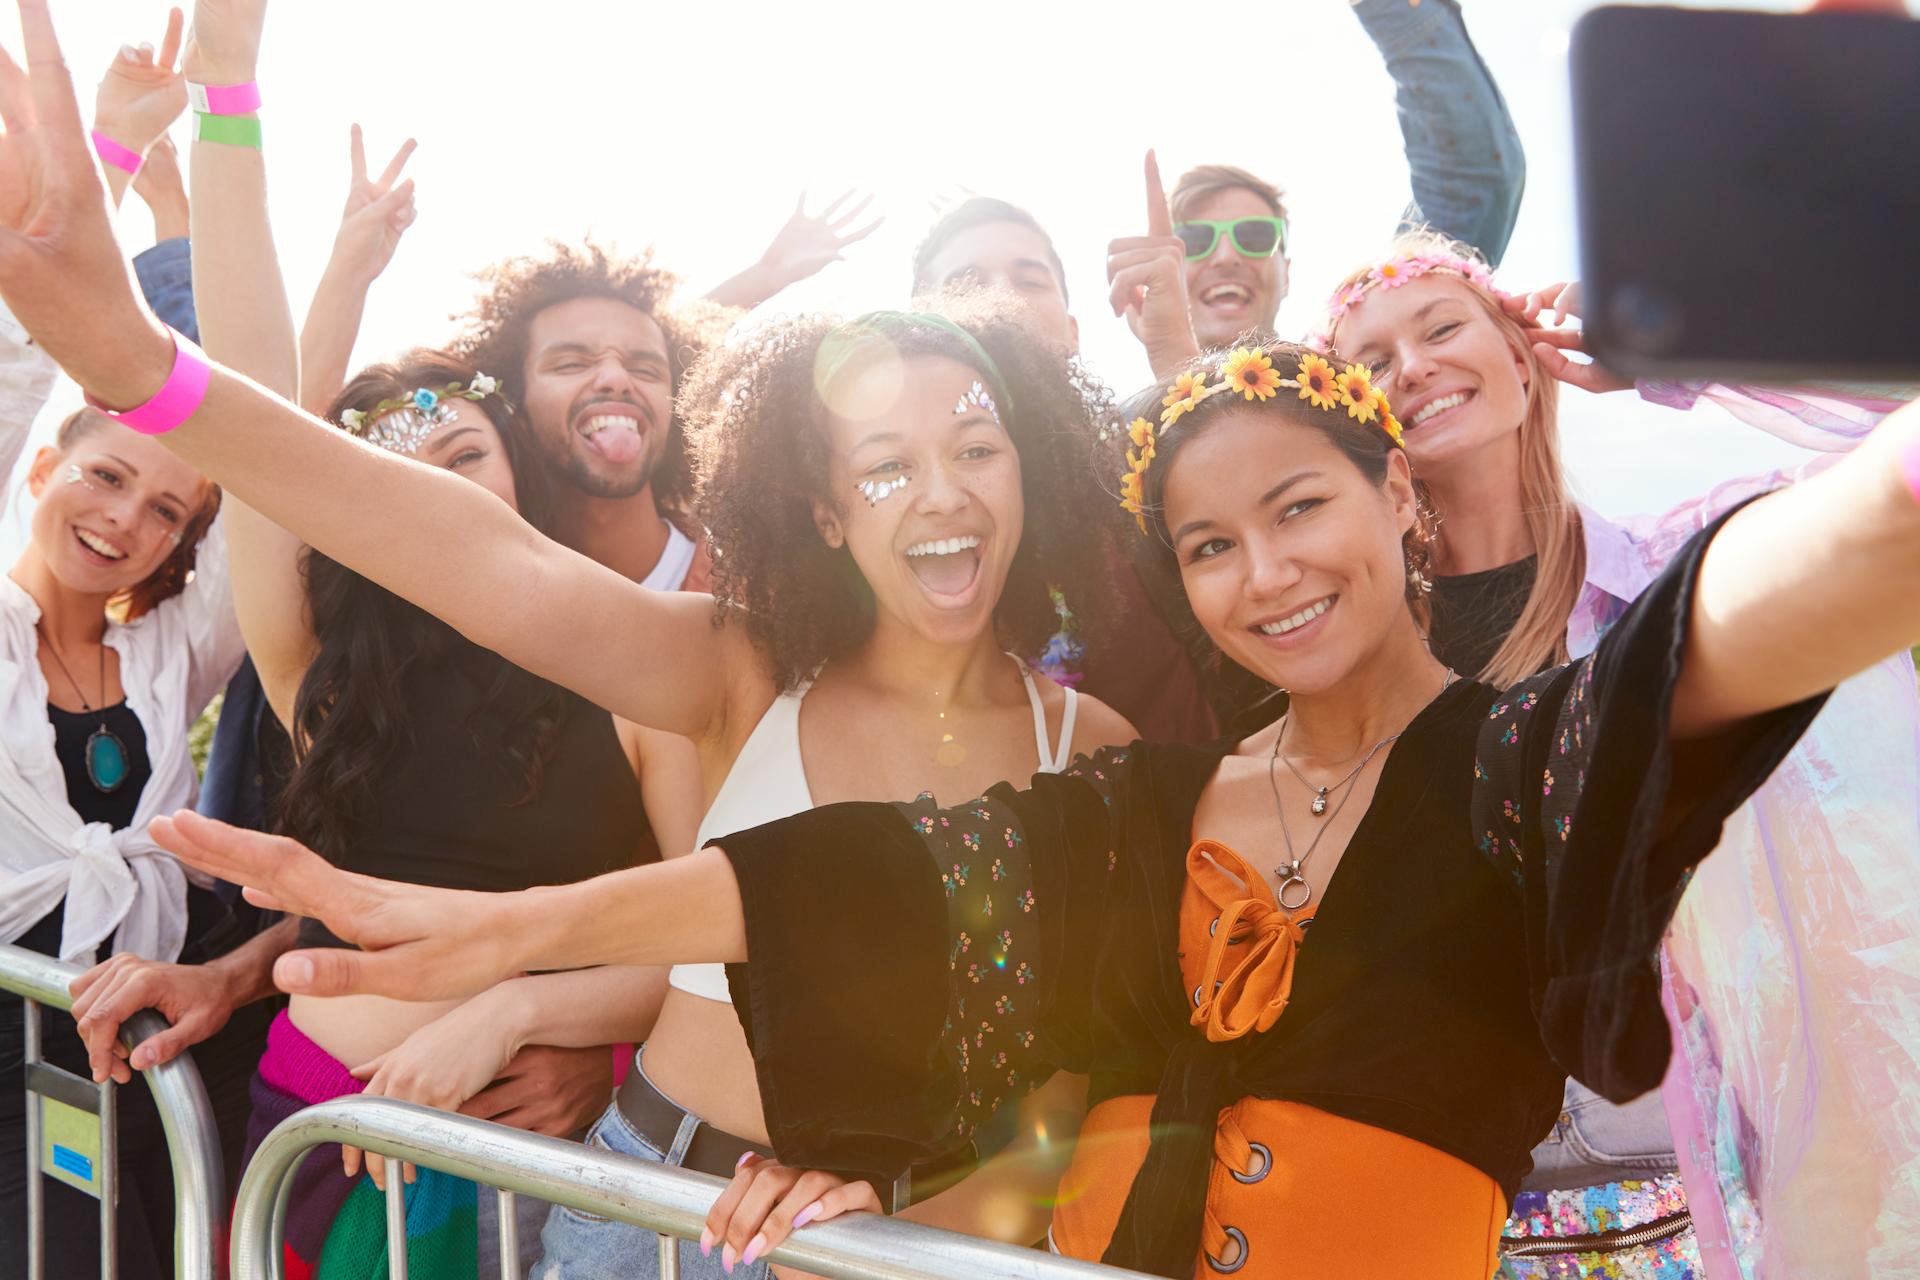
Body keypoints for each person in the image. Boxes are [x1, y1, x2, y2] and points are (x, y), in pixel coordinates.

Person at [144, 327, 1920, 1279]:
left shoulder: (1527, 763)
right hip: (734, 1222)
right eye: (1210, 545)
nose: (1265, 573)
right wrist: (518, 950)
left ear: (1403, 507)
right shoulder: (1151, 808)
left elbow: (1796, 581)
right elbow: (853, 891)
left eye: (1300, 510)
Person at [1322, 234, 1920, 1276]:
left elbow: (1895, 456)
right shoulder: (1344, 663)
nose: (1408, 367)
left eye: (1440, 326)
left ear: (1526, 354)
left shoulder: (1681, 578)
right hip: (1449, 1219)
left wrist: (1683, 346)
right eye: (1368, 361)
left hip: (1684, 1209)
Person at [1108, 0, 1527, 380]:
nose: (1226, 256)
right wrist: (1171, 356)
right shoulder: (1106, 447)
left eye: (1254, 236)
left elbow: (1468, 180)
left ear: (1285, 271)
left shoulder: (1359, 380)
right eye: (1195, 241)